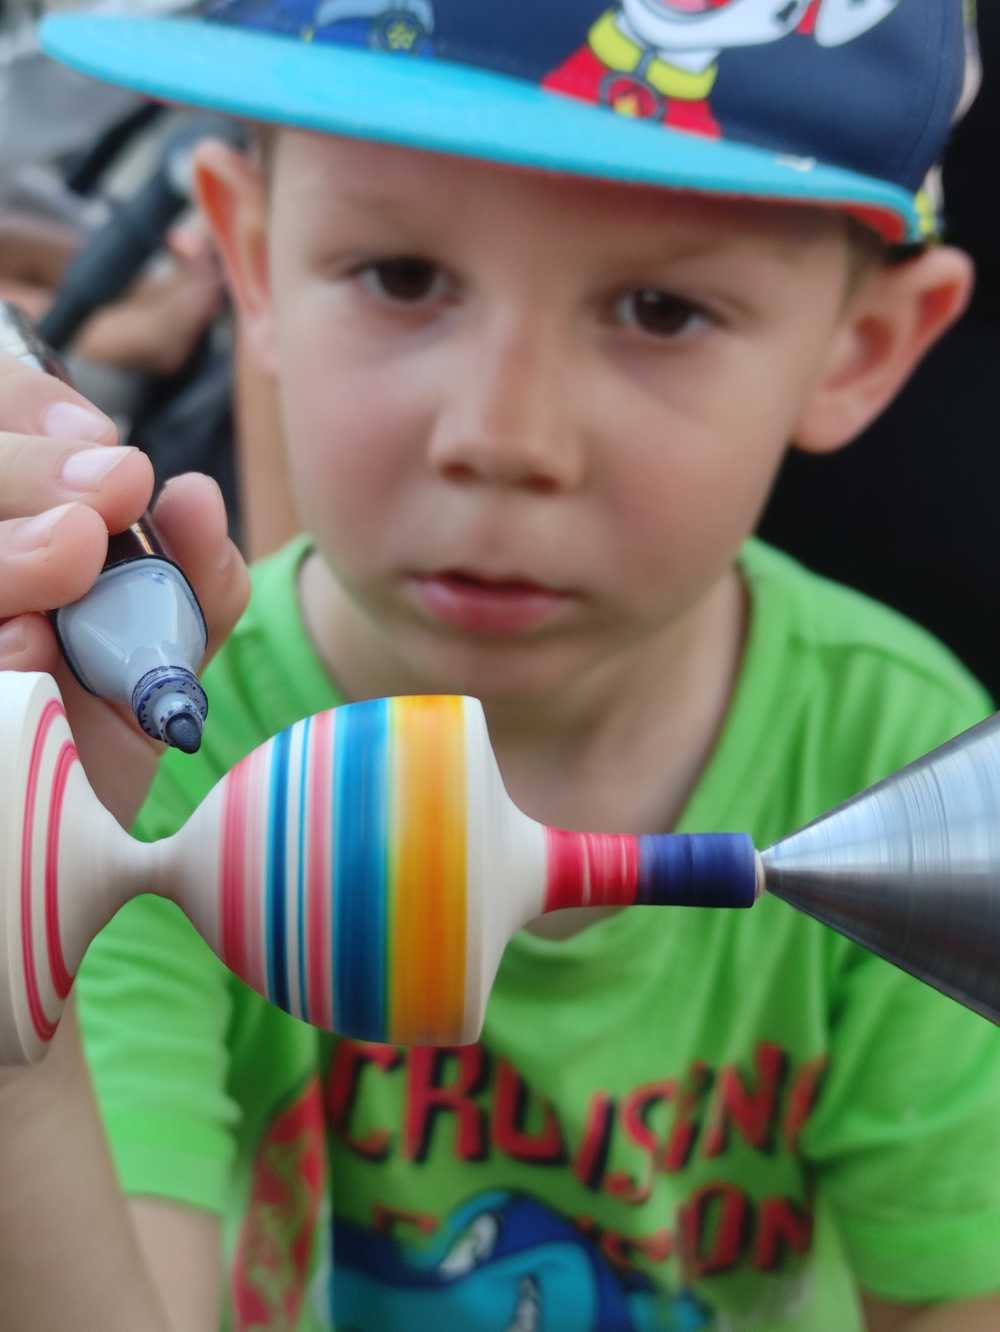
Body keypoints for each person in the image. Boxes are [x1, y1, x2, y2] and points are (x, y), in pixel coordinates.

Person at [1, 3, 999, 1330]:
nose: (501, 434)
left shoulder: (903, 760)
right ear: (254, 263)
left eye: (660, 309)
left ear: (861, 348)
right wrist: (18, 1009)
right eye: (403, 276)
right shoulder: (151, 764)